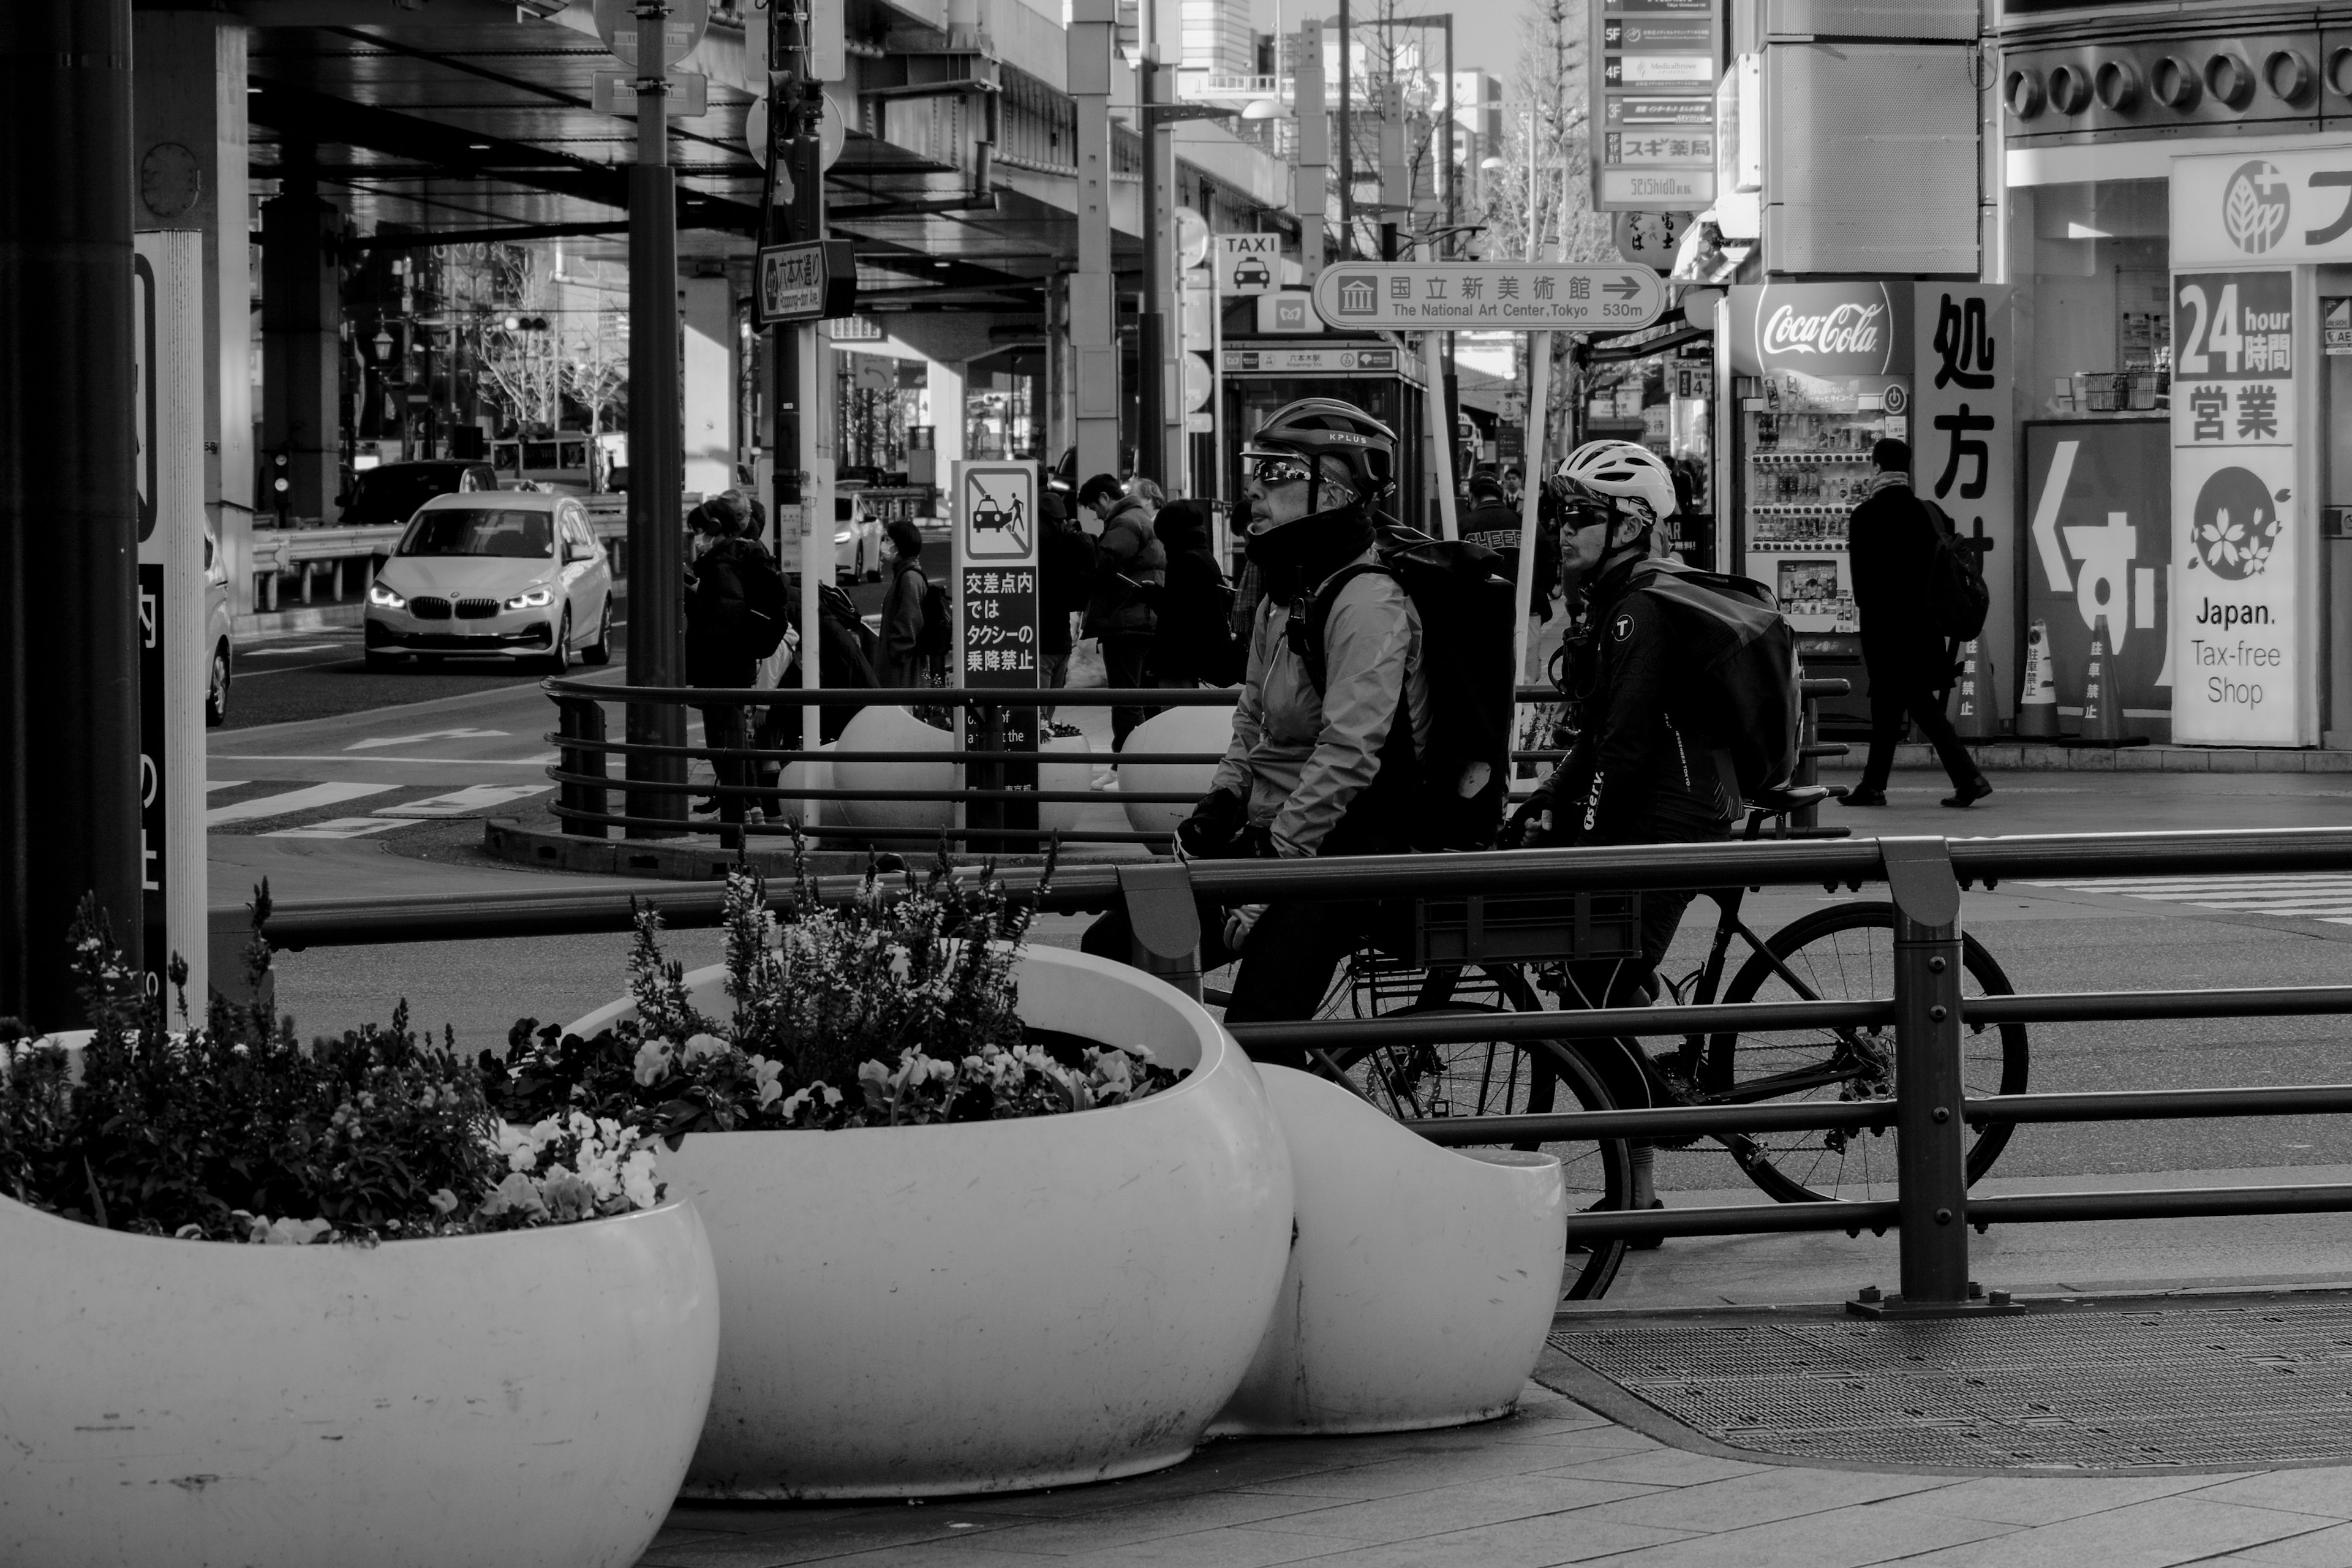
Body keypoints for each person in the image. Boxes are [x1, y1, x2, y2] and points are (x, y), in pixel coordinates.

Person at [1080, 399, 1427, 1058]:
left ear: (1333, 490)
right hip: (1277, 833)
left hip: (1342, 848)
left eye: (1276, 474)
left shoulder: (1368, 603)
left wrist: (1270, 875)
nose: (1254, 492)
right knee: (1115, 946)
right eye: (1255, 472)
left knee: (1258, 1043)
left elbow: (1350, 754)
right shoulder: (1284, 589)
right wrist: (1224, 798)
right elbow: (1252, 715)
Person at [1509, 439, 1743, 1226]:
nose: (1566, 528)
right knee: (1604, 974)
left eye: (1584, 515)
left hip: (1674, 814)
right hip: (1671, 803)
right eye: (1565, 513)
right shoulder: (1619, 600)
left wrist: (1582, 842)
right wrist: (1548, 796)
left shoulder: (1636, 610)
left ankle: (1641, 1165)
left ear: (1634, 525)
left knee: (1589, 986)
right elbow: (1602, 739)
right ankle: (1640, 1162)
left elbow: (1627, 750)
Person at [1845, 438, 1992, 810]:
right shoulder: (1932, 513)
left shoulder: (1864, 516)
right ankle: (1874, 785)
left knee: (1914, 705)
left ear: (1877, 468)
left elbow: (1863, 586)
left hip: (1885, 629)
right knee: (1893, 704)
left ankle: (1969, 779)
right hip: (1926, 626)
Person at [682, 494, 772, 848]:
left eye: (701, 532)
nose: (698, 539)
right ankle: (746, 811)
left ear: (716, 529)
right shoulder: (733, 560)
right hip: (733, 669)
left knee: (725, 741)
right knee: (730, 741)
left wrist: (697, 598)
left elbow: (724, 617)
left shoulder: (722, 565)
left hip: (723, 671)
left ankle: (739, 816)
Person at [1080, 472, 1166, 748]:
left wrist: (1085, 544)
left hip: (1126, 621)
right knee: (1136, 696)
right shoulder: (1138, 519)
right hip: (1140, 619)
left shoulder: (1125, 522)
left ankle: (1127, 762)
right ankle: (1136, 760)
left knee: (1125, 699)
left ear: (1105, 497)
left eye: (1095, 508)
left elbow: (1103, 565)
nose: (1096, 515)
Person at [1147, 499, 1238, 688]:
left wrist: (1153, 595)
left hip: (1180, 658)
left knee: (1175, 713)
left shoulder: (1184, 560)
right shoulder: (1202, 554)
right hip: (1197, 655)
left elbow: (1179, 613)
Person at [1457, 470, 1557, 625]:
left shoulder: (1461, 526)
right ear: (1501, 494)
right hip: (1526, 609)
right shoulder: (1526, 523)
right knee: (1525, 650)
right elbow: (1549, 563)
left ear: (1471, 497)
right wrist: (1537, 591)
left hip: (1476, 614)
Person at [1036, 491, 1093, 717]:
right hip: (1061, 642)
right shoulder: (1070, 538)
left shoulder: (1035, 543)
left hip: (1040, 643)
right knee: (1046, 716)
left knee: (1033, 717)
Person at [875, 517, 932, 689]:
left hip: (902, 673)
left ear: (899, 544)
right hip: (900, 669)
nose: (884, 544)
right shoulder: (905, 575)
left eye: (888, 539)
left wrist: (895, 655)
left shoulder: (910, 578)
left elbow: (909, 622)